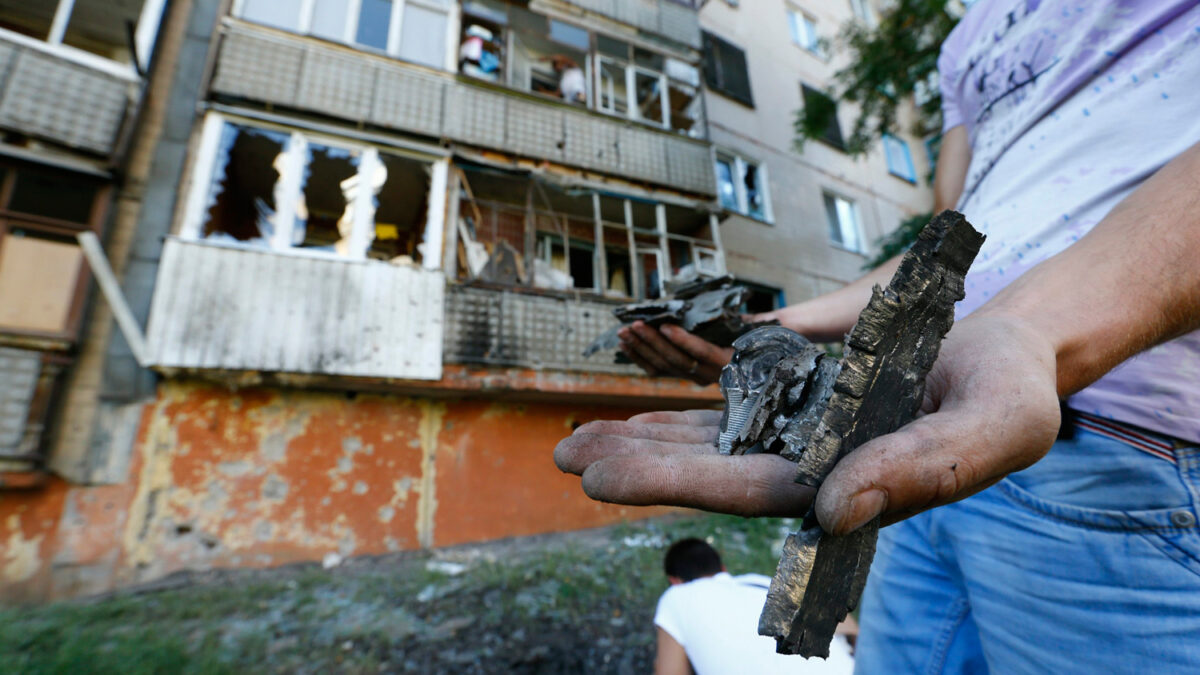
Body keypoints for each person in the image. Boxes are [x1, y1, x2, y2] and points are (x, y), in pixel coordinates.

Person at [556, 1, 1200, 671]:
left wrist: (1035, 330)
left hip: (1119, 447)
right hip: (918, 433)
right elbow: (955, 236)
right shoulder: (967, 39)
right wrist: (767, 330)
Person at [654, 538, 855, 675]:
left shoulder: (676, 597)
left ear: (674, 580)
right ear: (723, 569)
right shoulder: (761, 582)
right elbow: (847, 627)